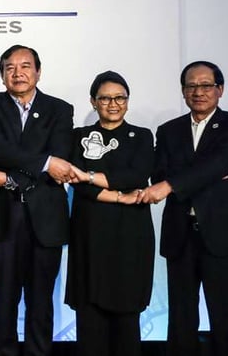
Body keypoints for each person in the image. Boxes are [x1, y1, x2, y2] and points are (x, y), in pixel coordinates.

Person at [140, 60, 228, 356]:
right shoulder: (168, 130)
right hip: (181, 233)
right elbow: (161, 173)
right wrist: (205, 174)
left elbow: (223, 163)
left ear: (219, 89)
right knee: (181, 316)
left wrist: (175, 183)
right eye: (191, 86)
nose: (199, 91)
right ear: (183, 91)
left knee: (226, 315)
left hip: (225, 232)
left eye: (206, 85)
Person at [0, 44, 74, 356]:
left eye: (25, 66)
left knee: (41, 298)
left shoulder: (60, 109)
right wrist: (44, 163)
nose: (18, 73)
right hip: (3, 214)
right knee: (2, 298)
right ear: (2, 75)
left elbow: (62, 158)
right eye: (10, 68)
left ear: (38, 71)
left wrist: (13, 174)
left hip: (46, 217)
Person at [64, 71, 154, 356]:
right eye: (105, 98)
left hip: (130, 235)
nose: (113, 103)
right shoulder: (77, 137)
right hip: (89, 235)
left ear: (127, 101)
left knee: (128, 318)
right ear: (93, 101)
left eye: (119, 97)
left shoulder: (141, 136)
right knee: (90, 321)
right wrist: (118, 195)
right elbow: (75, 180)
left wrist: (90, 177)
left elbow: (138, 175)